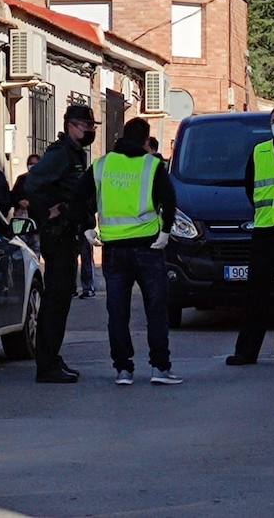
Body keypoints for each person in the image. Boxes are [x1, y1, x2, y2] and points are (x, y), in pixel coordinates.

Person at [81, 117, 181, 386]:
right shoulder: (152, 165)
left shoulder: (102, 165)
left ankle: (123, 369)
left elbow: (81, 197)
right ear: (147, 140)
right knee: (156, 309)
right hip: (148, 247)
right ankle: (160, 368)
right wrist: (166, 232)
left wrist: (88, 227)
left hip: (114, 250)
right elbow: (169, 199)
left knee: (117, 312)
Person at [23, 105, 98, 384]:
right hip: (58, 234)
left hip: (68, 234)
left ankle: (52, 358)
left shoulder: (74, 153)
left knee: (62, 299)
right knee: (55, 300)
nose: (90, 131)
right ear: (71, 125)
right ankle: (47, 364)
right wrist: (49, 211)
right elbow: (32, 184)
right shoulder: (60, 154)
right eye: (86, 126)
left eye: (92, 126)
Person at [228, 104, 274, 367]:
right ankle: (246, 352)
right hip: (264, 232)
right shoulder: (260, 151)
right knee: (256, 294)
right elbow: (251, 188)